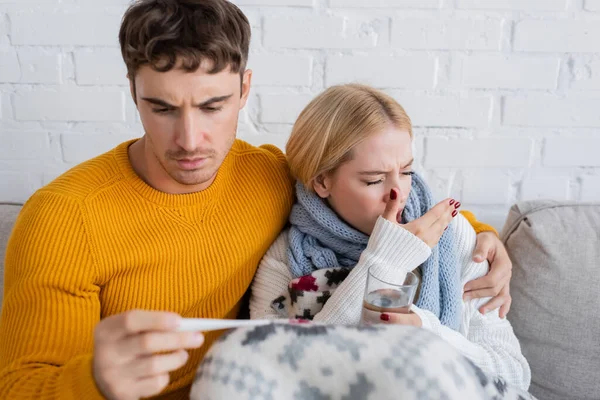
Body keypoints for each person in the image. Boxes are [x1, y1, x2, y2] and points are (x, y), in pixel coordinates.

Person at [0, 1, 513, 399]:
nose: (190, 139)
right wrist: (93, 382)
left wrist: (477, 233)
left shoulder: (266, 174)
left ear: (245, 89)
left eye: (212, 105)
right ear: (133, 90)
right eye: (161, 107)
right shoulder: (63, 216)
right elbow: (19, 388)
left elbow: (363, 192)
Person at [250, 83, 530, 389]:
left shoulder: (454, 236)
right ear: (321, 182)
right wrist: (387, 258)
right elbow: (280, 382)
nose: (399, 193)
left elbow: (514, 374)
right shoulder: (286, 260)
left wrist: (427, 333)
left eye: (407, 172)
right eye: (374, 180)